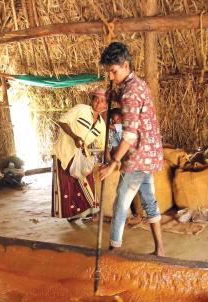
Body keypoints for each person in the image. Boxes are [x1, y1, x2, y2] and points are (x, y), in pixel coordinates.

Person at [98, 42, 165, 256]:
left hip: (137, 155)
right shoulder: (137, 84)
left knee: (121, 204)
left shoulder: (129, 92)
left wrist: (113, 162)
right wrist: (111, 95)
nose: (111, 76)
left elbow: (129, 134)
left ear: (125, 65)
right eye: (108, 71)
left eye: (113, 71)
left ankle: (113, 250)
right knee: (148, 199)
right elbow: (131, 104)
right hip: (148, 154)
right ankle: (160, 249)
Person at [52, 88, 107, 220]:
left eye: (103, 101)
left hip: (81, 156)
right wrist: (75, 137)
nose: (99, 103)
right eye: (97, 99)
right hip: (64, 152)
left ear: (106, 105)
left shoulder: (101, 125)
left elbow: (102, 146)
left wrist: (112, 160)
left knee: (81, 182)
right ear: (92, 100)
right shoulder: (81, 109)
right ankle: (79, 213)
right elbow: (62, 121)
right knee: (68, 186)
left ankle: (77, 214)